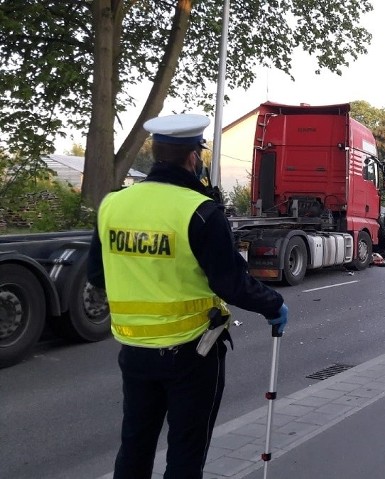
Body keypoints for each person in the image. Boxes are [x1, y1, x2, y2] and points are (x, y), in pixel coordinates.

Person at [87, 113, 288, 479]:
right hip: (192, 353)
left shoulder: (112, 204)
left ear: (156, 154)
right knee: (185, 450)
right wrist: (273, 305)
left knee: (135, 443)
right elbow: (230, 284)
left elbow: (97, 275)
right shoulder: (201, 211)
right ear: (193, 157)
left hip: (134, 352)